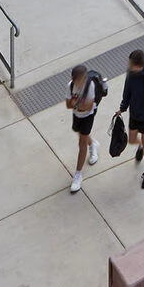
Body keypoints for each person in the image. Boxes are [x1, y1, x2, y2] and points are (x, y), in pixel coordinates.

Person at [117, 48, 144, 190]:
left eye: (131, 64)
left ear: (138, 65)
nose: (129, 66)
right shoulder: (131, 74)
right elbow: (127, 91)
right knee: (131, 140)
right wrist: (123, 107)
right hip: (135, 113)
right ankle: (141, 145)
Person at [65, 63, 103, 193]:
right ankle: (93, 144)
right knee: (80, 134)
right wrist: (76, 105)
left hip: (88, 115)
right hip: (77, 115)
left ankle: (78, 175)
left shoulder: (90, 86)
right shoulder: (70, 86)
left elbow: (88, 106)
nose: (82, 82)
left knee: (81, 143)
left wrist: (76, 104)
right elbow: (68, 105)